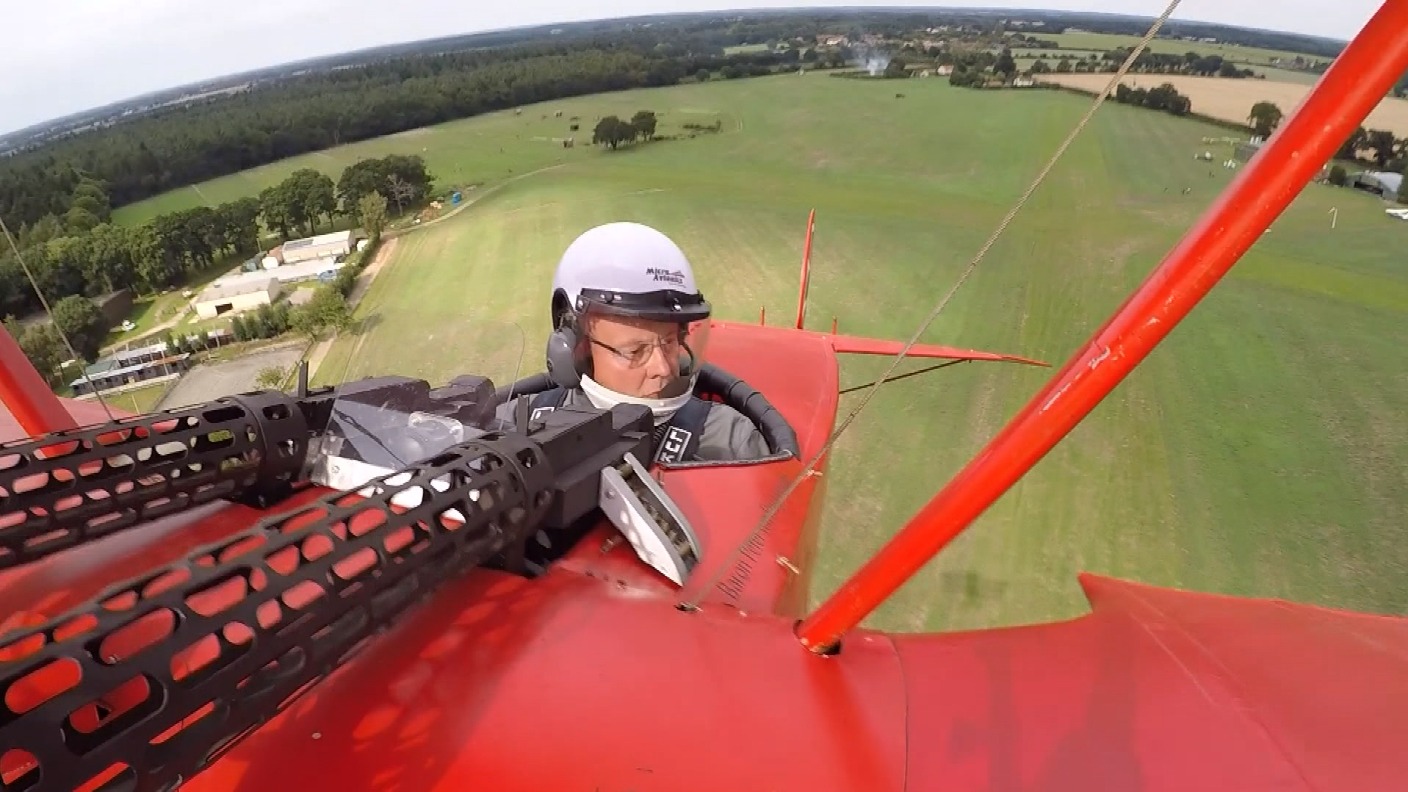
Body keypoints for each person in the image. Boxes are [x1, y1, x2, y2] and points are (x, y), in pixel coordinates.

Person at [498, 221, 772, 464]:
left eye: (670, 342)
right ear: (574, 351)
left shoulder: (730, 442)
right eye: (635, 351)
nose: (664, 369)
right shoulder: (509, 426)